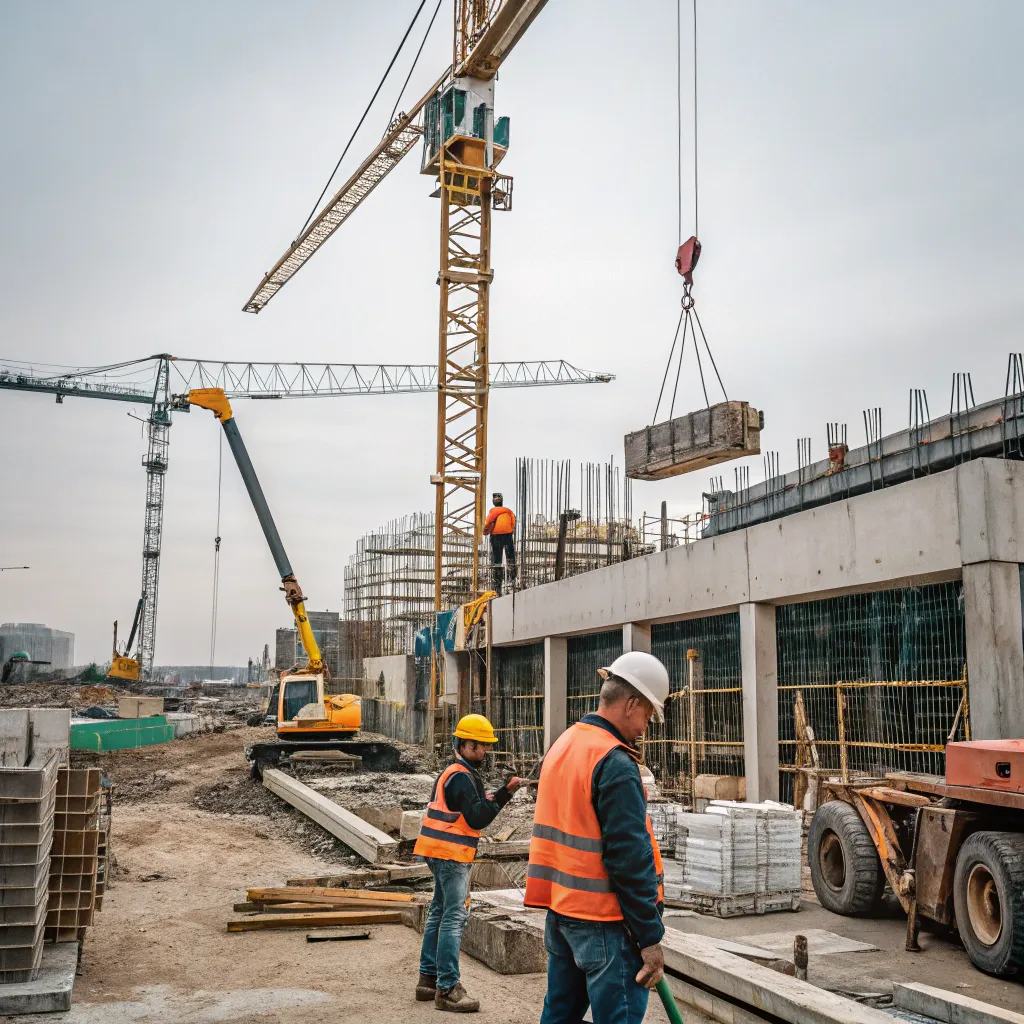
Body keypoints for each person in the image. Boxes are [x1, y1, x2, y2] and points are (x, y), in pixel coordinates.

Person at [525, 651, 671, 1024]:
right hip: (605, 922)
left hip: (561, 915)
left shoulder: (566, 743)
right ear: (631, 703)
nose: (646, 727)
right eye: (648, 715)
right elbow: (629, 858)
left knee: (559, 1016)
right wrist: (650, 937)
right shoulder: (615, 762)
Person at [414, 713, 523, 1012]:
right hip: (451, 855)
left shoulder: (454, 772)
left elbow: (470, 806)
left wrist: (499, 792)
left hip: (436, 851)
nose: (485, 752)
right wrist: (506, 794)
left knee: (439, 911)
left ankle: (428, 979)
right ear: (464, 744)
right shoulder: (461, 776)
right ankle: (447, 989)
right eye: (481, 746)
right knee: (454, 916)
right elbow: (478, 817)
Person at [482, 492, 516, 595]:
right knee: (511, 557)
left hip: (496, 536)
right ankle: (513, 579)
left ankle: (497, 587)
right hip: (508, 535)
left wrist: (485, 531)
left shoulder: (492, 511)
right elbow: (513, 522)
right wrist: (510, 530)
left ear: (493, 502)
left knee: (497, 560)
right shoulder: (509, 511)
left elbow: (487, 523)